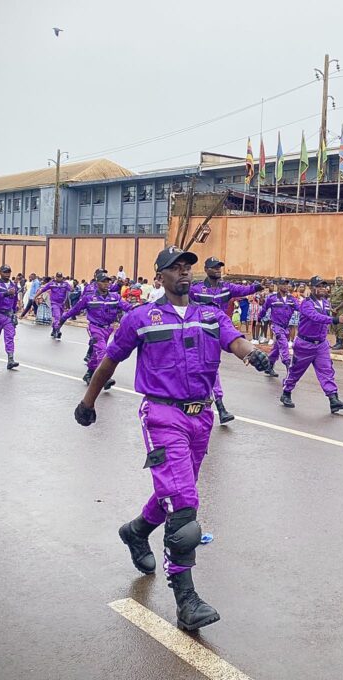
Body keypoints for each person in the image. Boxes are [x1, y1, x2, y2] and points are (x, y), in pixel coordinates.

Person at [74, 246, 269, 631]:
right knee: (183, 505)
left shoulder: (210, 315)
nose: (184, 273)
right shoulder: (141, 318)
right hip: (163, 415)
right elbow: (110, 361)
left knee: (175, 491)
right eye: (175, 268)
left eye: (187, 268)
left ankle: (136, 531)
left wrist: (253, 354)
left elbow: (235, 341)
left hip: (202, 417)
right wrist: (87, 402)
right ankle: (186, 600)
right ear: (159, 276)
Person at [189, 257, 264, 424]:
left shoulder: (227, 288)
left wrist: (258, 286)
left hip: (220, 332)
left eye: (219, 267)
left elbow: (244, 290)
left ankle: (213, 404)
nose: (218, 269)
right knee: (204, 367)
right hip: (200, 333)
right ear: (206, 269)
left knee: (212, 366)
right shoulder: (196, 289)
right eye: (214, 267)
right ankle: (217, 405)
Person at [278, 276, 343, 412]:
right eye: (319, 286)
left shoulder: (325, 303)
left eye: (323, 286)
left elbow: (325, 317)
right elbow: (315, 317)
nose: (322, 288)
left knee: (327, 371)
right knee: (296, 371)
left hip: (321, 344)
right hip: (305, 344)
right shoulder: (307, 303)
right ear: (312, 288)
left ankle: (333, 399)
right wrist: (335, 320)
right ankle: (286, 393)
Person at [61, 271, 132, 385]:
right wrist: (62, 319)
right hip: (95, 328)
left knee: (96, 354)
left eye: (108, 282)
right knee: (102, 351)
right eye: (103, 282)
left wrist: (141, 309)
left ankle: (89, 374)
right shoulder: (89, 298)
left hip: (108, 329)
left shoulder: (115, 297)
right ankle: (104, 378)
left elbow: (128, 307)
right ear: (97, 283)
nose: (106, 284)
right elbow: (75, 309)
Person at [261, 278, 298, 377]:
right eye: (283, 284)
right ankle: (289, 367)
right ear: (278, 286)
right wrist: (260, 317)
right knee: (284, 345)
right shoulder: (272, 298)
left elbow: (300, 309)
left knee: (277, 348)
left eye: (287, 284)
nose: (286, 286)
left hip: (286, 327)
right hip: (276, 326)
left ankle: (269, 366)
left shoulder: (292, 299)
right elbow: (264, 308)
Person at [34, 272, 73, 339]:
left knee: (60, 318)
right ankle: (57, 330)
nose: (59, 278)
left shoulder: (65, 284)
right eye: (58, 277)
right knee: (57, 316)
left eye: (60, 277)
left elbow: (71, 290)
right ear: (56, 277)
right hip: (54, 303)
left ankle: (54, 330)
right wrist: (35, 296)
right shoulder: (51, 284)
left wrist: (71, 286)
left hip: (62, 303)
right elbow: (43, 290)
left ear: (62, 277)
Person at [328, 276, 343, 351]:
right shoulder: (333, 288)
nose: (340, 281)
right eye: (338, 280)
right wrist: (331, 308)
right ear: (336, 281)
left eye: (341, 280)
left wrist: (336, 309)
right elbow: (330, 299)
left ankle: (340, 343)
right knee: (335, 326)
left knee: (340, 327)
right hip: (333, 309)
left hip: (340, 309)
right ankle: (337, 342)